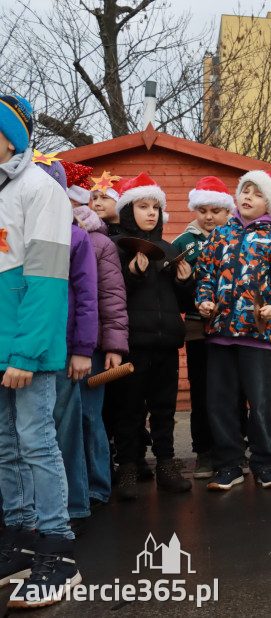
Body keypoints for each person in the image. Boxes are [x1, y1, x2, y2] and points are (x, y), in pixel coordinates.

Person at [0, 95, 82, 605]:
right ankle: (22, 540)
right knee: (6, 449)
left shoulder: (39, 189)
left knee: (36, 445)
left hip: (28, 352)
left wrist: (25, 355)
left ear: (11, 136)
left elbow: (47, 281)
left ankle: (59, 549)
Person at [196, 171, 271, 490]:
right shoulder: (219, 235)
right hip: (220, 333)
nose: (248, 197)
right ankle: (228, 465)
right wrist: (204, 300)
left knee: (260, 400)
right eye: (244, 191)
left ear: (268, 203)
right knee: (221, 401)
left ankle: (265, 463)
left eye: (256, 193)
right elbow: (204, 275)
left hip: (256, 334)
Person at [108, 173, 194, 498]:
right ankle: (128, 468)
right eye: (143, 206)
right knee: (128, 409)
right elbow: (111, 295)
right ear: (129, 210)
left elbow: (183, 303)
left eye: (155, 207)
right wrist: (132, 275)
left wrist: (185, 281)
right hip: (130, 345)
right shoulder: (117, 247)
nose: (150, 213)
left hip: (167, 343)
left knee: (164, 409)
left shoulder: (169, 248)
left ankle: (167, 466)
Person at [35, 158, 98, 522]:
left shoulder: (75, 237)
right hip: (24, 350)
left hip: (63, 352)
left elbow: (87, 297)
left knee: (65, 432)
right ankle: (29, 513)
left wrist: (82, 350)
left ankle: (73, 507)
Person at [67, 166, 128, 508]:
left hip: (92, 346)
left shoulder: (99, 242)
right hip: (59, 342)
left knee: (91, 416)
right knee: (66, 419)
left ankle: (97, 485)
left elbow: (112, 297)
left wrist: (114, 347)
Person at [170, 176, 237, 479]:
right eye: (203, 210)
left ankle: (234, 451)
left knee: (234, 391)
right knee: (202, 392)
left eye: (216, 211)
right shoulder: (182, 245)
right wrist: (184, 282)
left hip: (235, 328)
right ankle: (205, 453)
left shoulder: (239, 238)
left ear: (227, 212)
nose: (209, 217)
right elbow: (174, 295)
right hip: (199, 330)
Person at [89, 171, 122, 238]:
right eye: (94, 198)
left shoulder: (136, 232)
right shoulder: (88, 232)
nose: (97, 203)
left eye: (104, 197)